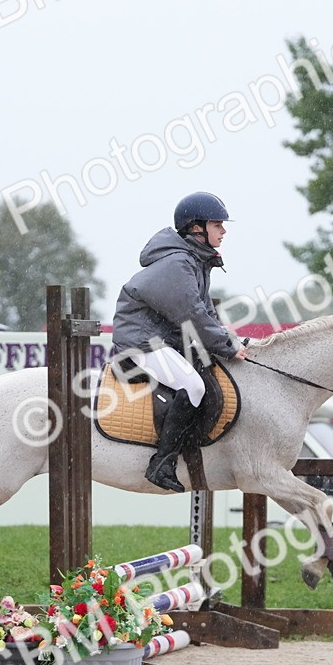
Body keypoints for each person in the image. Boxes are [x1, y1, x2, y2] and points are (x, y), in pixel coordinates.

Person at [111, 191, 249, 493]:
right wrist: (227, 346)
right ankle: (161, 463)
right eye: (218, 225)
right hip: (141, 340)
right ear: (196, 227)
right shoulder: (178, 263)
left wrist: (231, 339)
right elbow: (193, 317)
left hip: (162, 339)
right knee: (193, 386)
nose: (224, 231)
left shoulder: (196, 261)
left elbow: (207, 314)